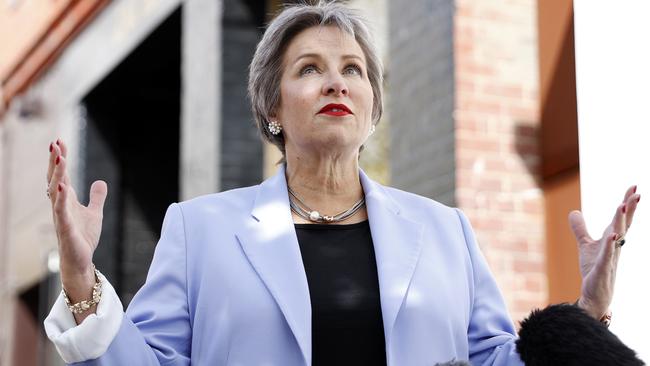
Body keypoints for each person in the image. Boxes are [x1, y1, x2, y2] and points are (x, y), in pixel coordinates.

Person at [43, 2, 641, 365]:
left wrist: (588, 311)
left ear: (372, 108)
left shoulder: (444, 231)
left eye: (352, 70)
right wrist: (79, 283)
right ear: (272, 107)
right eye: (310, 70)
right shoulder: (199, 229)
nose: (336, 83)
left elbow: (493, 363)